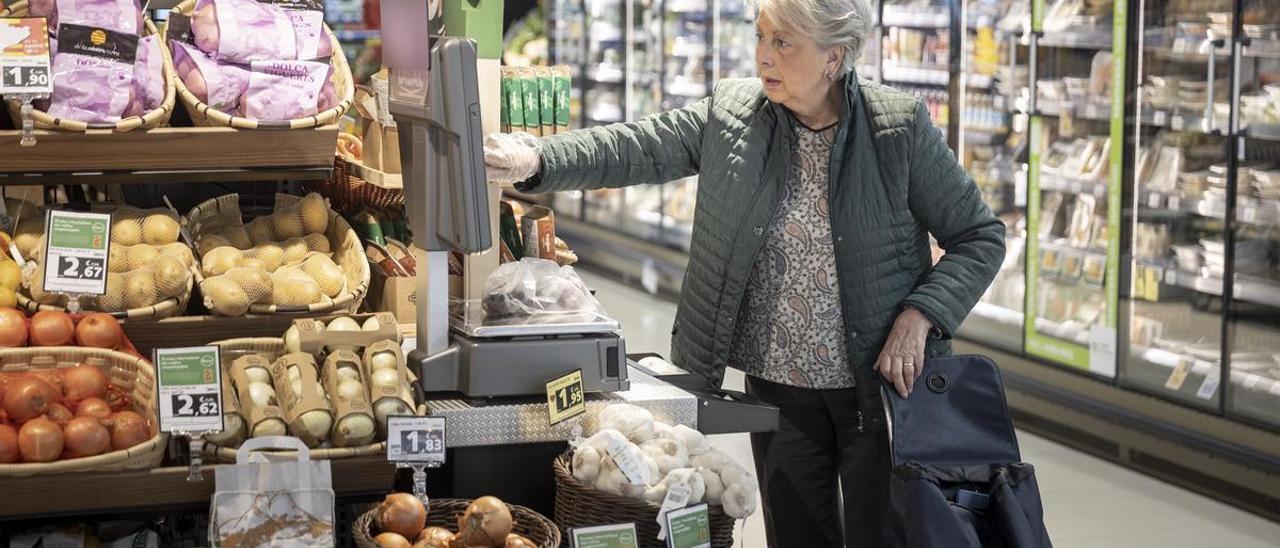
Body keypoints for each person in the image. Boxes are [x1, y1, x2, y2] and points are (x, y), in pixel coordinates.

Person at [484, 0, 1005, 545]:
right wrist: (536, 157)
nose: (763, 56)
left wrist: (921, 316)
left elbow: (979, 236)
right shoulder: (734, 115)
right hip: (779, 393)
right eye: (761, 37)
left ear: (834, 56)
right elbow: (635, 146)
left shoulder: (896, 130)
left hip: (880, 393)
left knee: (889, 535)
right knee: (796, 535)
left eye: (784, 43)